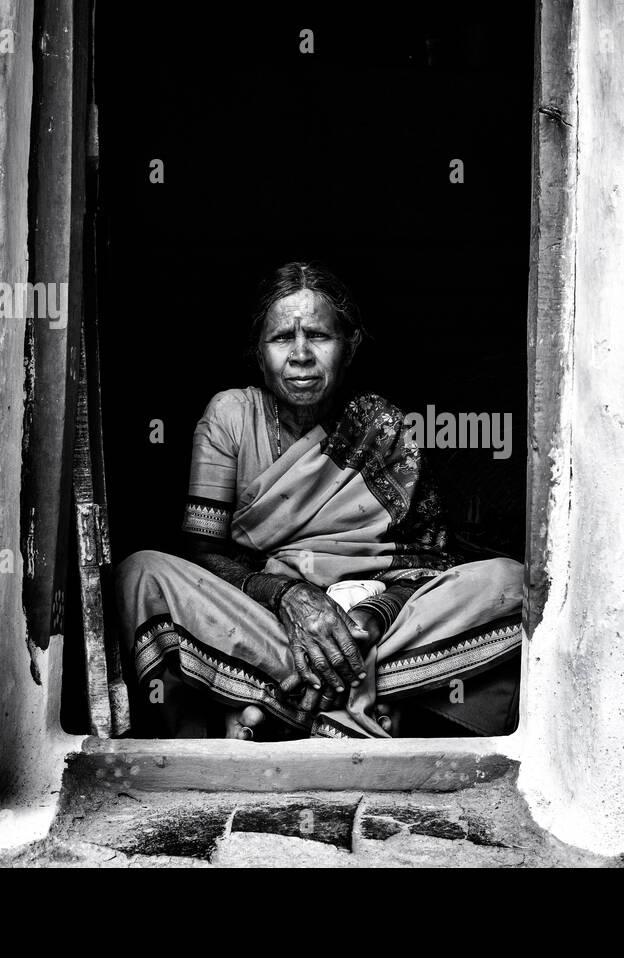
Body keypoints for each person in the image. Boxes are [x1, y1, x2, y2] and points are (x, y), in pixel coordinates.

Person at [115, 262, 523, 739]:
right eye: (282, 338)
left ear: (349, 347)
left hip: (372, 631)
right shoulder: (229, 415)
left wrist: (371, 618)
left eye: (319, 337)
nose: (301, 355)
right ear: (257, 352)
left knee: (509, 582)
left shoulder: (382, 429)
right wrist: (289, 597)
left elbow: (424, 562)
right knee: (141, 574)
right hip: (265, 622)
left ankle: (278, 707)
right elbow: (203, 555)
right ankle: (359, 708)